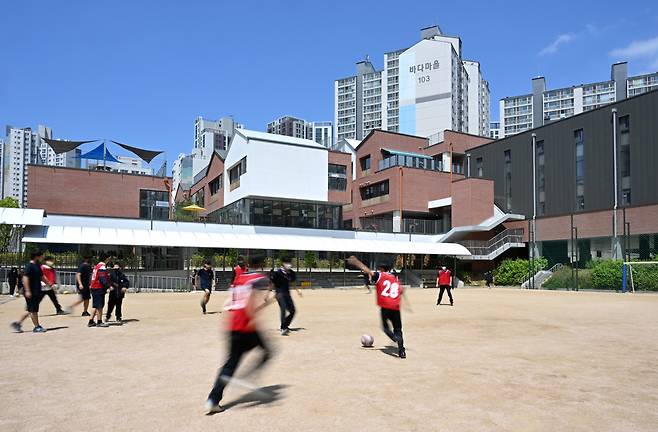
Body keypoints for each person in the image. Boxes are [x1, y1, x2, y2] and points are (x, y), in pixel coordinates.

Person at [205, 272, 274, 414]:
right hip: (247, 328)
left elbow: (231, 305)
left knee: (231, 364)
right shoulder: (256, 279)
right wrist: (252, 317)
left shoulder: (237, 281)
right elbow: (250, 303)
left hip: (232, 326)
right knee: (268, 351)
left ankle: (213, 400)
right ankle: (249, 375)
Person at [347, 255, 406, 359]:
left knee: (385, 327)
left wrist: (356, 262)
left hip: (385, 306)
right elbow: (400, 290)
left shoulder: (380, 275)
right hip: (395, 306)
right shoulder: (393, 277)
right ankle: (402, 351)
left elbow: (367, 270)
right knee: (398, 329)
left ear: (382, 269)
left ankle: (394, 338)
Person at [10, 251, 51, 333]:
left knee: (31, 310)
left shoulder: (37, 266)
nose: (42, 258)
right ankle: (37, 327)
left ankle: (18, 323)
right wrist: (28, 290)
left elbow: (41, 276)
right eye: (41, 256)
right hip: (31, 291)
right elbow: (25, 278)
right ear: (36, 256)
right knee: (33, 310)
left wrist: (48, 283)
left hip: (36, 291)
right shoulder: (29, 266)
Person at [270, 261, 300, 336]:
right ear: (283, 264)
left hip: (287, 294)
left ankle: (285, 325)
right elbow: (272, 283)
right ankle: (283, 328)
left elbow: (292, 282)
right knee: (283, 309)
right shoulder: (277, 273)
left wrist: (297, 290)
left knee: (293, 311)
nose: (289, 265)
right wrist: (267, 294)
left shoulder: (291, 273)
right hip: (279, 294)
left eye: (290, 263)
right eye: (287, 263)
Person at [88, 256, 111, 327]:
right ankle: (99, 322)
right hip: (98, 288)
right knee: (100, 306)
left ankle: (91, 321)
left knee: (95, 305)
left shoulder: (97, 266)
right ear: (107, 258)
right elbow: (102, 278)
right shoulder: (102, 267)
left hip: (94, 287)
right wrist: (108, 286)